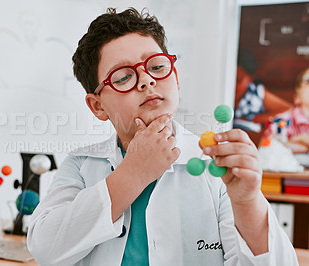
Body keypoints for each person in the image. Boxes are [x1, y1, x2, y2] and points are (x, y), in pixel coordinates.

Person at [27, 8, 298, 265]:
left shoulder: (215, 165)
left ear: (175, 79)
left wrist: (247, 203)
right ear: (98, 106)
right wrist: (132, 174)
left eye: (157, 66)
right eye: (122, 78)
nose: (147, 80)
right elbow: (45, 248)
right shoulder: (81, 165)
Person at [233, 49, 292, 145]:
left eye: (239, 80)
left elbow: (289, 109)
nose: (234, 85)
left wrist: (255, 118)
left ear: (250, 78)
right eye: (231, 79)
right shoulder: (221, 95)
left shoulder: (256, 93)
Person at [274, 67, 309, 153]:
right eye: (308, 81)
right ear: (296, 97)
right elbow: (270, 147)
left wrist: (301, 139)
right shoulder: (283, 120)